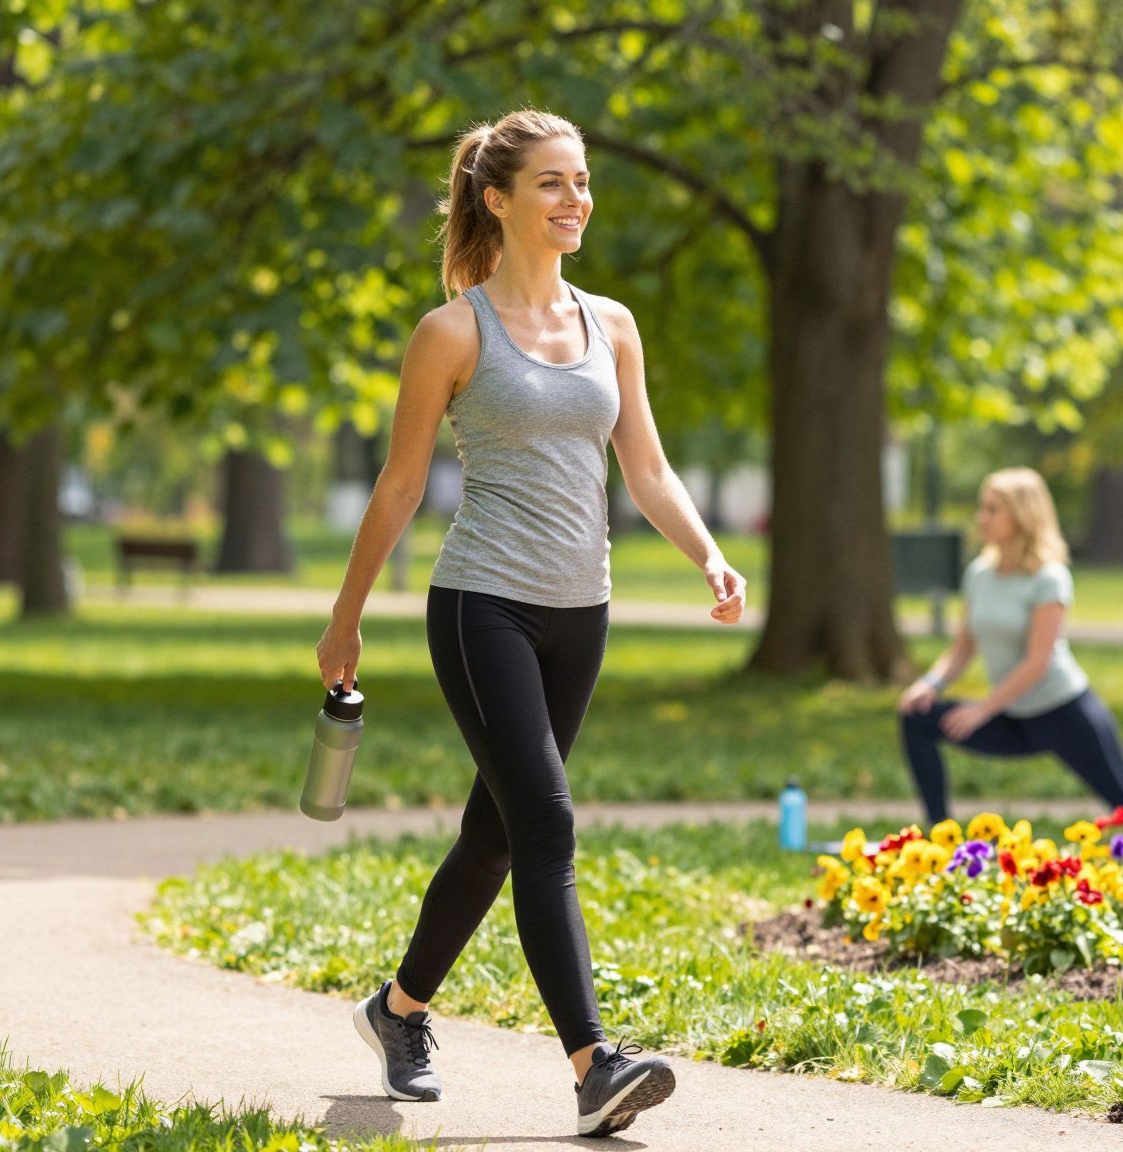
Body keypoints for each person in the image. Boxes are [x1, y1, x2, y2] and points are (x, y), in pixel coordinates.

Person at [315, 109, 745, 1139]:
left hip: (580, 608)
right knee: (546, 822)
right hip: (483, 606)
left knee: (498, 830)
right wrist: (345, 618)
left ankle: (398, 1009)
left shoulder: (614, 325)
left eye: (582, 181)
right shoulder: (453, 332)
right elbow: (400, 484)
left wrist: (709, 554)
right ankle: (596, 1063)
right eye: (550, 183)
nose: (575, 201)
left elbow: (644, 467)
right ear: (495, 199)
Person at [898, 467, 1123, 830]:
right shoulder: (980, 574)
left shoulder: (1049, 577)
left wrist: (981, 710)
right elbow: (962, 647)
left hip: (1063, 713)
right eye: (983, 508)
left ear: (1023, 516)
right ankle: (939, 832)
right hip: (1011, 717)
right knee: (916, 717)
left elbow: (1037, 662)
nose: (982, 518)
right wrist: (931, 684)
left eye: (993, 510)